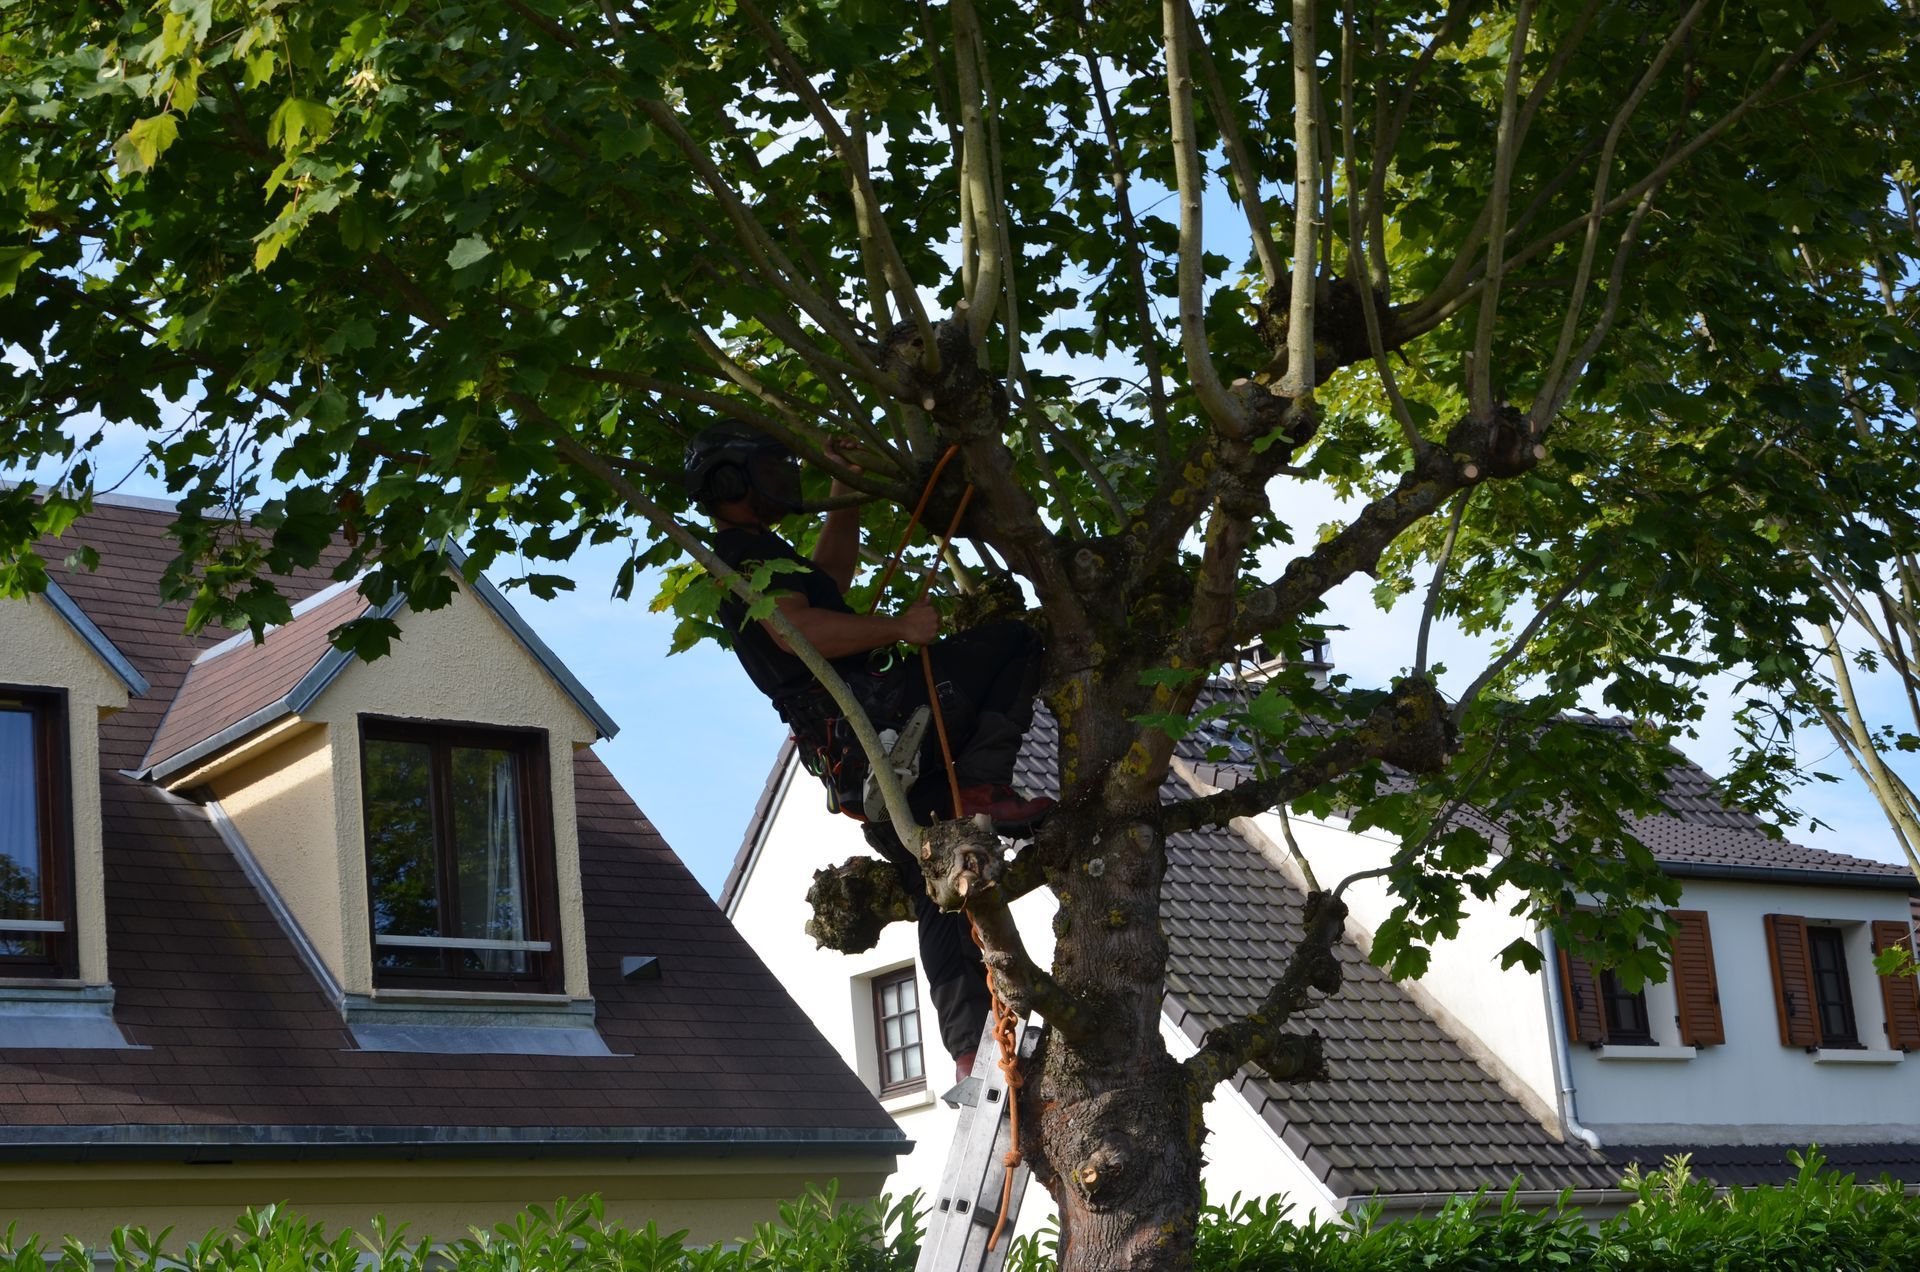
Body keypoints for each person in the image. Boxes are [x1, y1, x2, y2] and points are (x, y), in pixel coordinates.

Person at [685, 422, 1053, 1082]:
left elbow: (825, 580)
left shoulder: (759, 554)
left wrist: (844, 494)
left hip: (859, 746)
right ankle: (981, 784)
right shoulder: (737, 560)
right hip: (867, 719)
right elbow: (798, 629)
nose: (782, 480)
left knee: (940, 879)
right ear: (731, 480)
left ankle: (973, 1057)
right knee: (1014, 643)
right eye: (769, 466)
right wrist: (900, 628)